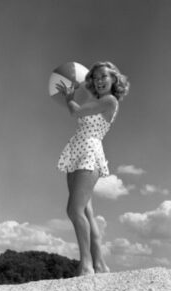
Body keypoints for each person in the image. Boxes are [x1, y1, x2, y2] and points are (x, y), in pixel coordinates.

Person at [56, 61, 130, 276]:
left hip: (89, 150)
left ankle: (86, 265)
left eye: (103, 77)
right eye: (95, 78)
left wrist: (69, 98)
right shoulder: (96, 100)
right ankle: (99, 264)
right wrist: (71, 99)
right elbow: (79, 112)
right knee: (86, 211)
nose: (99, 81)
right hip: (76, 149)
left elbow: (76, 113)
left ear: (114, 79)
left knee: (74, 210)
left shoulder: (109, 100)